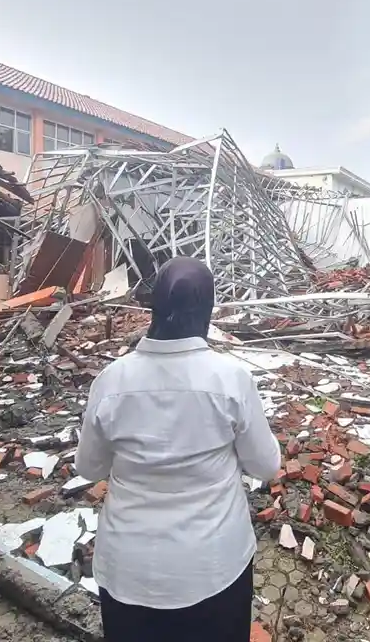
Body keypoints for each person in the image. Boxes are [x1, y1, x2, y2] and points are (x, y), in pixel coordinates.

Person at [74, 257, 281, 642]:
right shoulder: (231, 380)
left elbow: (89, 468)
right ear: (208, 310)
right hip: (214, 569)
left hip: (127, 571)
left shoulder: (111, 381)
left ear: (153, 308)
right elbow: (266, 466)